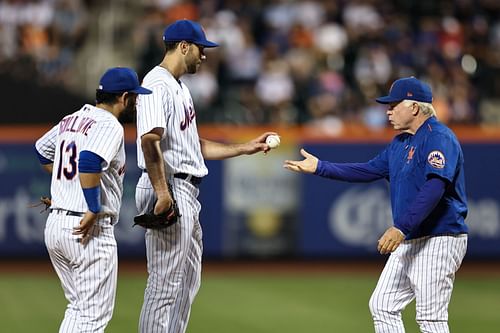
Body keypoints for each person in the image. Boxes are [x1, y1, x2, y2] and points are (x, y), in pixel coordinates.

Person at [284, 77, 468, 333]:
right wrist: (320, 167)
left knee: (430, 318)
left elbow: (435, 187)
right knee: (383, 305)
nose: (388, 111)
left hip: (439, 236)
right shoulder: (400, 143)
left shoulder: (439, 137)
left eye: (393, 105)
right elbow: (367, 170)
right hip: (412, 235)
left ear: (414, 107)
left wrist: (400, 227)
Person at [135, 19, 276, 333]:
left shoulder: (179, 87)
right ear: (183, 46)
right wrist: (162, 193)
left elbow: (193, 146)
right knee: (164, 284)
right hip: (168, 186)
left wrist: (244, 148)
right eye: (201, 48)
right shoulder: (156, 83)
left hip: (184, 187)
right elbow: (149, 140)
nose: (204, 55)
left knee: (187, 281)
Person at [35, 67, 152, 332]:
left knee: (78, 309)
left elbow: (42, 150)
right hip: (87, 230)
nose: (137, 101)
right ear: (124, 97)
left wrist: (69, 187)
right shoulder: (109, 124)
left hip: (57, 225)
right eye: (135, 96)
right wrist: (92, 205)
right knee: (91, 317)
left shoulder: (72, 118)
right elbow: (88, 161)